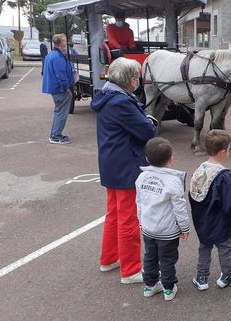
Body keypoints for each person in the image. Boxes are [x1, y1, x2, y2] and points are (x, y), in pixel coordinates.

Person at [90, 57, 157, 284]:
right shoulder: (121, 102)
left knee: (114, 214)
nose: (138, 81)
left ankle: (109, 258)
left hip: (111, 162)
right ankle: (130, 269)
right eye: (136, 77)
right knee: (128, 218)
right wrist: (150, 121)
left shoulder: (108, 96)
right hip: (127, 164)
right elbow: (146, 130)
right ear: (129, 80)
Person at [189, 129, 231, 291]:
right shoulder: (223, 175)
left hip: (202, 220)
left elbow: (193, 195)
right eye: (228, 149)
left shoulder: (199, 171)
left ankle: (201, 277)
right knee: (224, 247)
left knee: (204, 247)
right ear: (223, 152)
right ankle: (226, 273)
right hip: (220, 220)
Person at [135, 137, 190, 301]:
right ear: (171, 159)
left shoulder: (141, 178)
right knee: (167, 259)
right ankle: (168, 287)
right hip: (167, 231)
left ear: (146, 158)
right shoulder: (173, 181)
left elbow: (139, 202)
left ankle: (149, 286)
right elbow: (179, 208)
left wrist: (140, 221)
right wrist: (184, 227)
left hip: (148, 227)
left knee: (150, 256)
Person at [41, 34, 74, 144]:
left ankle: (54, 134)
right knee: (61, 113)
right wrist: (66, 87)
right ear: (60, 43)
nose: (66, 43)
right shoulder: (57, 57)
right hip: (60, 89)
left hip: (55, 88)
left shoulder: (52, 55)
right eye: (64, 41)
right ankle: (56, 136)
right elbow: (61, 75)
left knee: (58, 111)